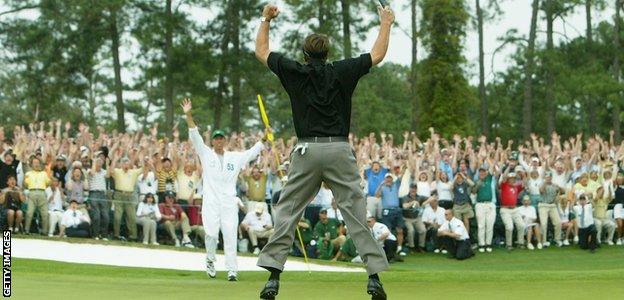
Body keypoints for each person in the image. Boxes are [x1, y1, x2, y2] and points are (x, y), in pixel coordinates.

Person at [254, 4, 394, 299]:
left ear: (305, 54)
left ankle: (273, 278)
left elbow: (262, 51)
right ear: (327, 53)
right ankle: (374, 278)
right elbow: (377, 55)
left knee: (288, 211)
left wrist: (266, 19)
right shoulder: (342, 71)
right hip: (339, 149)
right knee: (355, 214)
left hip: (306, 149)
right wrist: (386, 23)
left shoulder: (294, 71)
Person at [182, 98, 265, 282]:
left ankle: (232, 270)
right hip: (211, 200)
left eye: (221, 138)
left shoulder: (234, 158)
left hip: (229, 201)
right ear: (212, 141)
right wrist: (188, 114)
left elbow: (251, 153)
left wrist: (264, 139)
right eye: (216, 138)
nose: (219, 141)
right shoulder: (206, 154)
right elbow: (194, 134)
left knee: (230, 234)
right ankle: (210, 261)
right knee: (211, 234)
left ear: (225, 141)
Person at [107, 155, 142, 241]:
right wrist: (115, 159)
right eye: (124, 164)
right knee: (117, 217)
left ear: (130, 165)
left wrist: (144, 160)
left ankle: (133, 236)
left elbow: (143, 169)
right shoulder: (117, 171)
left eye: (127, 164)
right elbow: (111, 171)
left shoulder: (133, 172)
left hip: (130, 196)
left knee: (132, 217)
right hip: (119, 195)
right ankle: (116, 235)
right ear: (122, 165)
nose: (126, 165)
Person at [375, 173, 404, 254]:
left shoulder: (396, 185)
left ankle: (399, 248)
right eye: (387, 178)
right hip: (387, 211)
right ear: (385, 179)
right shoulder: (383, 188)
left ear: (392, 179)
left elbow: (401, 176)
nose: (388, 179)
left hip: (397, 210)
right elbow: (376, 195)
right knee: (387, 231)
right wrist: (381, 185)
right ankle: (388, 249)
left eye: (390, 178)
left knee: (400, 230)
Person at [23, 157, 51, 234]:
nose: (36, 164)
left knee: (45, 213)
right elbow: (25, 185)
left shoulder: (44, 173)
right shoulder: (28, 173)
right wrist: (25, 179)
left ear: (40, 164)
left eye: (38, 162)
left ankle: (45, 231)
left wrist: (49, 175)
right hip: (32, 192)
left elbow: (48, 183)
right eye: (34, 163)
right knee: (29, 213)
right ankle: (26, 230)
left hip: (42, 192)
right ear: (31, 164)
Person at [473, 166, 497, 253]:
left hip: (490, 204)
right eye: (480, 172)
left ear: (486, 172)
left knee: (490, 225)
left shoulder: (489, 179)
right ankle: (481, 244)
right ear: (479, 173)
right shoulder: (476, 181)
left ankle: (488, 243)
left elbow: (491, 167)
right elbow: (474, 192)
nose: (482, 173)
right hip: (480, 204)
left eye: (483, 172)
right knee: (481, 225)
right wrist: (478, 185)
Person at [499, 172, 525, 250]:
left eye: (514, 178)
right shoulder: (504, 185)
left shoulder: (516, 187)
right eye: (511, 178)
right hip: (505, 209)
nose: (512, 180)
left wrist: (524, 176)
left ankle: (520, 243)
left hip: (515, 209)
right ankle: (508, 245)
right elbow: (503, 179)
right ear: (508, 179)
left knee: (521, 225)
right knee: (510, 227)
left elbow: (523, 184)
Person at [538, 171, 563, 247]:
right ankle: (544, 241)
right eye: (547, 177)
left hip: (552, 205)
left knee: (558, 222)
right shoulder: (542, 184)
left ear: (552, 177)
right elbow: (541, 191)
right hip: (543, 205)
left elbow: (563, 191)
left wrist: (559, 187)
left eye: (550, 177)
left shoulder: (554, 185)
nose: (549, 178)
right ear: (545, 177)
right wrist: (545, 182)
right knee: (544, 223)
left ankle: (557, 240)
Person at [400, 184, 426, 253]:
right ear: (409, 189)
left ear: (416, 189)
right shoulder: (405, 197)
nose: (413, 190)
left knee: (423, 230)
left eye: (414, 188)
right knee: (411, 231)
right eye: (412, 188)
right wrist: (413, 202)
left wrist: (424, 203)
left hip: (417, 218)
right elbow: (404, 206)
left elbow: (431, 198)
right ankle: (411, 247)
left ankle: (421, 246)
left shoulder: (420, 197)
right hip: (407, 218)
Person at [88, 157, 110, 240]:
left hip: (102, 194)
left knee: (106, 216)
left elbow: (108, 175)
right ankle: (95, 234)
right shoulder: (90, 170)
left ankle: (104, 235)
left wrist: (107, 164)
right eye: (98, 161)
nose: (100, 162)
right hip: (93, 193)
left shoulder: (104, 171)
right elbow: (93, 173)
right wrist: (94, 162)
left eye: (101, 161)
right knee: (96, 215)